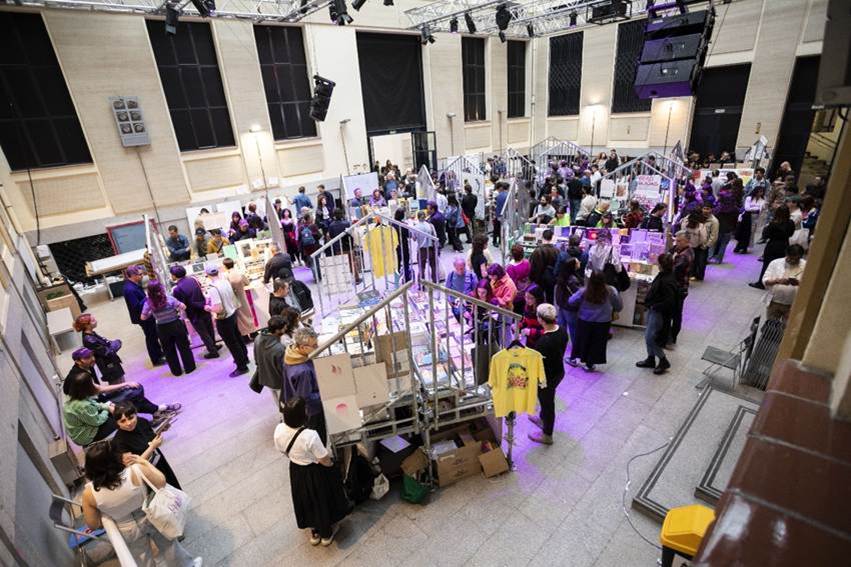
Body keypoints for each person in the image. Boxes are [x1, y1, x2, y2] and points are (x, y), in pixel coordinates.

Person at [81, 443, 200, 567]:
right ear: (115, 459)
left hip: (125, 528)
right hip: (151, 515)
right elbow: (161, 482)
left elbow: (93, 524)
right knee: (169, 546)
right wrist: (143, 462)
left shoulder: (89, 493)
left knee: (141, 559)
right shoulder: (135, 470)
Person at [274, 397, 350, 547]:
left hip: (296, 470)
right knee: (321, 500)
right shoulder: (310, 435)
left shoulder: (279, 429)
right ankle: (327, 535)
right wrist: (333, 466)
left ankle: (314, 532)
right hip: (315, 472)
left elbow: (282, 450)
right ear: (304, 415)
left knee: (306, 500)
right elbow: (324, 460)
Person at [63, 357, 177, 447]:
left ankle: (152, 418)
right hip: (90, 434)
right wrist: (108, 409)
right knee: (123, 417)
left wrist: (107, 406)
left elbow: (95, 405)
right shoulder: (81, 404)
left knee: (127, 408)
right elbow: (97, 421)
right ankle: (148, 430)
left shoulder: (79, 396)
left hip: (92, 422)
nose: (92, 359)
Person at [112, 401, 181, 489]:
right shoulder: (118, 442)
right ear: (117, 423)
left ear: (136, 414)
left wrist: (161, 430)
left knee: (175, 488)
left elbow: (151, 438)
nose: (128, 423)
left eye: (131, 418)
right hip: (146, 473)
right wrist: (152, 447)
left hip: (159, 462)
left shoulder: (142, 422)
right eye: (123, 421)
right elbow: (133, 466)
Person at [527, 303, 569, 445]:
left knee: (547, 403)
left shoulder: (544, 342)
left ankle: (547, 435)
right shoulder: (562, 330)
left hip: (546, 378)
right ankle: (542, 419)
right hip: (558, 371)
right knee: (545, 400)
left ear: (540, 319)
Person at [568, 270, 622, 372]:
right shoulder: (610, 291)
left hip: (584, 320)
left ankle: (574, 359)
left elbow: (571, 301)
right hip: (603, 322)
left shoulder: (584, 291)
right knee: (597, 343)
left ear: (590, 279)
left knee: (581, 340)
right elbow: (619, 306)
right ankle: (589, 364)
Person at [140, 281, 196, 377]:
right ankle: (189, 367)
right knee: (183, 347)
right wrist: (177, 310)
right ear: (161, 288)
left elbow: (143, 317)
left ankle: (176, 371)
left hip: (162, 328)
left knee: (168, 350)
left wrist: (151, 313)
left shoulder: (148, 303)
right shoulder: (169, 299)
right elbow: (183, 306)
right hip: (175, 324)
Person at [281, 327, 326, 443]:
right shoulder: (303, 371)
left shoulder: (290, 354)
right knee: (318, 437)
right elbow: (305, 397)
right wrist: (326, 392)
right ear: (302, 347)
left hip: (294, 401)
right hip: (312, 410)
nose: (317, 347)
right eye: (314, 346)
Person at [636, 253, 678, 374]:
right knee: (648, 335)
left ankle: (663, 360)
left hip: (658, 313)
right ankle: (650, 359)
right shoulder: (666, 275)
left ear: (661, 265)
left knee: (651, 338)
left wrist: (654, 306)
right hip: (654, 310)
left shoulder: (667, 280)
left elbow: (669, 301)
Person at [204, 265, 250, 377]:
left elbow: (218, 308)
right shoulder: (225, 281)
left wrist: (209, 308)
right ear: (218, 271)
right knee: (238, 338)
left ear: (208, 275)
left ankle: (242, 367)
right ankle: (245, 358)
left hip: (224, 319)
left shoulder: (213, 288)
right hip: (232, 313)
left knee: (232, 344)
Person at [170, 265, 219, 359]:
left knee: (203, 333)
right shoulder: (193, 279)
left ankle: (213, 351)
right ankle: (214, 346)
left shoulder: (177, 289)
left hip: (193, 313)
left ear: (174, 275)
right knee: (210, 329)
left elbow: (182, 305)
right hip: (204, 307)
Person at [123, 266, 164, 367]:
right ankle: (156, 359)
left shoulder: (133, 285)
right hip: (142, 316)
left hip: (145, 314)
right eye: (140, 274)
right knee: (150, 337)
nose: (142, 276)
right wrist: (148, 298)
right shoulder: (130, 289)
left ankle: (159, 353)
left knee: (153, 334)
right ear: (132, 275)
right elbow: (136, 306)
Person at [750, 205, 795, 290]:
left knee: (767, 264)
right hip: (784, 245)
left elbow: (766, 235)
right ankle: (775, 282)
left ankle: (762, 283)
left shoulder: (773, 223)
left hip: (773, 245)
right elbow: (791, 234)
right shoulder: (790, 223)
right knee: (779, 265)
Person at [75, 313, 125, 385]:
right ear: (86, 325)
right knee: (119, 386)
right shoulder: (89, 339)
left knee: (121, 383)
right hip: (109, 367)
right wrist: (117, 343)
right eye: (93, 320)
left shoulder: (91, 333)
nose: (96, 321)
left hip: (111, 363)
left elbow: (106, 343)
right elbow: (108, 352)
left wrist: (112, 344)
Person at [762, 244, 806, 322]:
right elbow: (765, 280)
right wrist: (777, 281)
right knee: (771, 327)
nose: (793, 261)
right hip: (774, 302)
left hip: (792, 304)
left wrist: (798, 283)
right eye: (791, 258)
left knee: (786, 329)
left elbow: (809, 285)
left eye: (796, 259)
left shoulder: (805, 265)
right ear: (786, 254)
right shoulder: (775, 263)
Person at [254, 315, 287, 409]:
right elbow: (283, 369)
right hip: (279, 381)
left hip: (265, 377)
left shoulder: (257, 338)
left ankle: (282, 415)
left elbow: (256, 359)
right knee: (284, 403)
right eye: (284, 328)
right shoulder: (279, 349)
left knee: (276, 400)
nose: (286, 329)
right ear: (277, 330)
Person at [554, 256, 582, 364]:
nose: (579, 262)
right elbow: (578, 294)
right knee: (574, 331)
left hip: (562, 306)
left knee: (562, 328)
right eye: (577, 262)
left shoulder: (563, 276)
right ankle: (575, 354)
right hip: (570, 308)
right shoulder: (573, 279)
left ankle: (560, 347)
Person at [669, 231, 694, 345]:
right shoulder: (680, 250)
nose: (676, 243)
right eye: (676, 240)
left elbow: (674, 271)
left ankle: (672, 338)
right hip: (677, 287)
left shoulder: (685, 256)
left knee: (676, 314)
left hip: (679, 288)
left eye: (679, 241)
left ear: (687, 241)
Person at [222, 258, 256, 339]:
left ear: (225, 266)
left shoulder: (225, 276)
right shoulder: (240, 272)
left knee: (240, 318)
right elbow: (247, 282)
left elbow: (225, 288)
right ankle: (253, 333)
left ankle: (245, 337)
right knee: (248, 315)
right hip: (243, 297)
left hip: (234, 299)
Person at [529, 229, 559, 303]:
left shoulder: (537, 251)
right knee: (550, 296)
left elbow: (532, 266)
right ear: (552, 237)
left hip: (539, 279)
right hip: (551, 279)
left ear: (542, 237)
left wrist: (532, 279)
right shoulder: (557, 251)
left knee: (538, 297)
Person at [710, 186, 738, 264]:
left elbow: (713, 216)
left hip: (718, 228)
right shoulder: (734, 209)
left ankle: (709, 257)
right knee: (723, 245)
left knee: (714, 244)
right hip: (728, 229)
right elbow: (735, 219)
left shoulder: (719, 208)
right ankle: (719, 260)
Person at [734, 185, 766, 253]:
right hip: (746, 217)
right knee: (742, 232)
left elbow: (759, 210)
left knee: (751, 234)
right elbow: (747, 208)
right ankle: (739, 246)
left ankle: (744, 247)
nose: (760, 193)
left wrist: (753, 209)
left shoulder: (762, 200)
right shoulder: (749, 198)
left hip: (755, 219)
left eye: (762, 192)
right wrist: (755, 209)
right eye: (759, 192)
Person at [413, 210, 438, 282]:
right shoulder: (430, 225)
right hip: (430, 248)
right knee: (433, 266)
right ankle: (435, 282)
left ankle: (422, 284)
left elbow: (414, 239)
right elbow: (435, 236)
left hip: (421, 249)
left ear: (418, 217)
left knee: (421, 268)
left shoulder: (415, 227)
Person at [394, 207, 413, 282]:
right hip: (404, 245)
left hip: (396, 246)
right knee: (405, 262)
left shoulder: (392, 223)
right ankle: (407, 278)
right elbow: (409, 235)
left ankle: (397, 279)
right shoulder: (403, 225)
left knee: (397, 263)